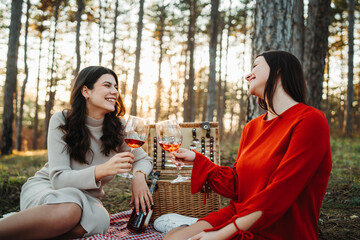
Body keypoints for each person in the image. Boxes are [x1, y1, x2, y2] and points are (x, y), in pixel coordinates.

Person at [165, 50, 332, 240]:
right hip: (238, 214)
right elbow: (238, 186)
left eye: (255, 66)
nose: (248, 75)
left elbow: (280, 193)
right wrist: (197, 160)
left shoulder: (309, 120)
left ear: (278, 70)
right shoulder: (252, 128)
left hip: (279, 228)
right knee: (172, 238)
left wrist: (221, 234)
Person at [0, 66, 153, 239]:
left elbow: (144, 160)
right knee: (70, 207)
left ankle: (23, 230)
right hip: (49, 187)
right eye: (107, 85)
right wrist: (102, 170)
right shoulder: (62, 120)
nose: (115, 91)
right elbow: (58, 179)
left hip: (87, 198)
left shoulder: (119, 127)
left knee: (100, 221)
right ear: (86, 91)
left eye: (116, 87)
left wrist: (139, 177)